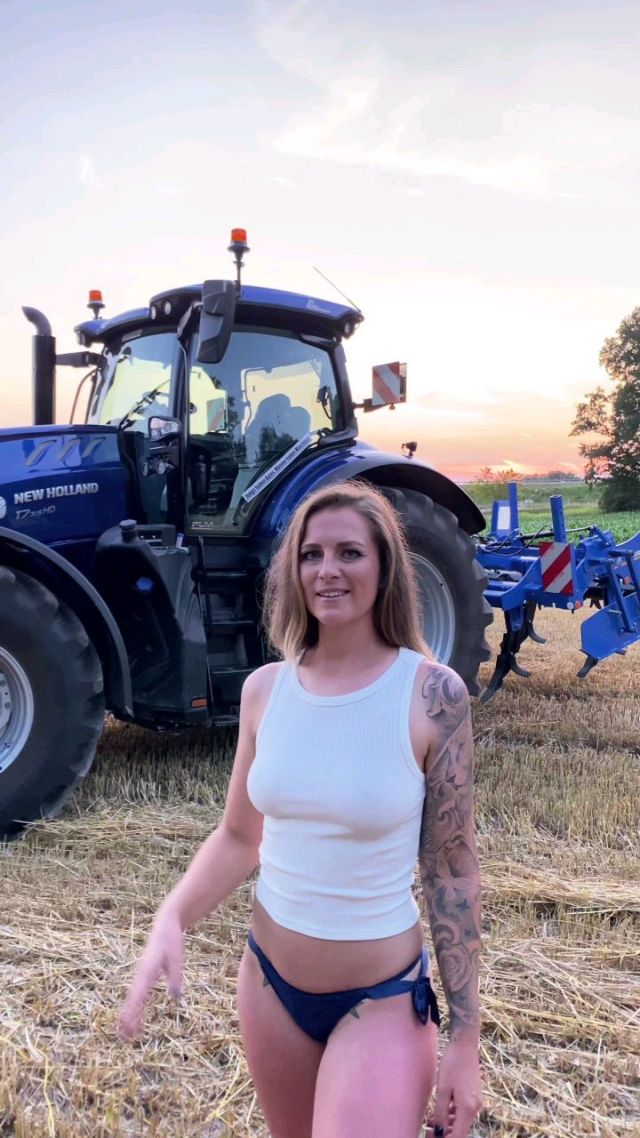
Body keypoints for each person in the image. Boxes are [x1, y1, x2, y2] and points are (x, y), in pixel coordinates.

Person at [119, 481, 482, 1138]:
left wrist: (465, 1037)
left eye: (350, 553)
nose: (327, 570)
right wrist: (171, 917)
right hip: (269, 988)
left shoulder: (433, 695)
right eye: (311, 554)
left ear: (385, 568)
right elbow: (239, 836)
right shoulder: (265, 691)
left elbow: (451, 873)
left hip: (380, 998)